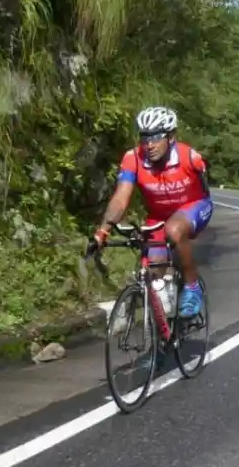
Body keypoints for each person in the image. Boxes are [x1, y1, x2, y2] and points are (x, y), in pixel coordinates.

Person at [86, 106, 212, 321]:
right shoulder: (132, 159)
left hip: (194, 207)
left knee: (174, 229)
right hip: (158, 217)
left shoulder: (189, 157)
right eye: (144, 138)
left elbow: (205, 191)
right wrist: (102, 232)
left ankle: (192, 288)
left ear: (171, 137)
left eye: (155, 137)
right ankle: (163, 333)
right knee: (154, 274)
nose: (149, 145)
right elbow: (120, 198)